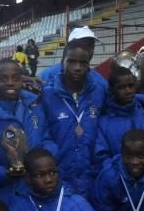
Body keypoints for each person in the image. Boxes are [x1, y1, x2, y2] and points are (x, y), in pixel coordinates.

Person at [0, 58, 55, 199]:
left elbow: (47, 140)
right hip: (4, 195)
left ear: (22, 80)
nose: (10, 82)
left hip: (38, 190)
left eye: (15, 78)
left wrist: (40, 162)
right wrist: (7, 172)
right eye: (3, 79)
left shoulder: (35, 106)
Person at [38, 41, 107, 198]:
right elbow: (43, 133)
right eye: (72, 62)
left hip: (92, 177)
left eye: (83, 63)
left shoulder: (99, 91)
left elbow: (121, 103)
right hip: (59, 177)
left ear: (89, 65)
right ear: (62, 63)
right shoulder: (48, 95)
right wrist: (54, 158)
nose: (78, 67)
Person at [94, 63, 144, 165]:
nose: (128, 91)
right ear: (111, 90)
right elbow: (102, 159)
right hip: (121, 180)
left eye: (131, 86)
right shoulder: (103, 124)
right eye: (121, 87)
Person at [38, 26, 107, 90]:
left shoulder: (99, 82)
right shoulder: (46, 77)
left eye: (91, 45)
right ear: (70, 47)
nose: (88, 49)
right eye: (82, 44)